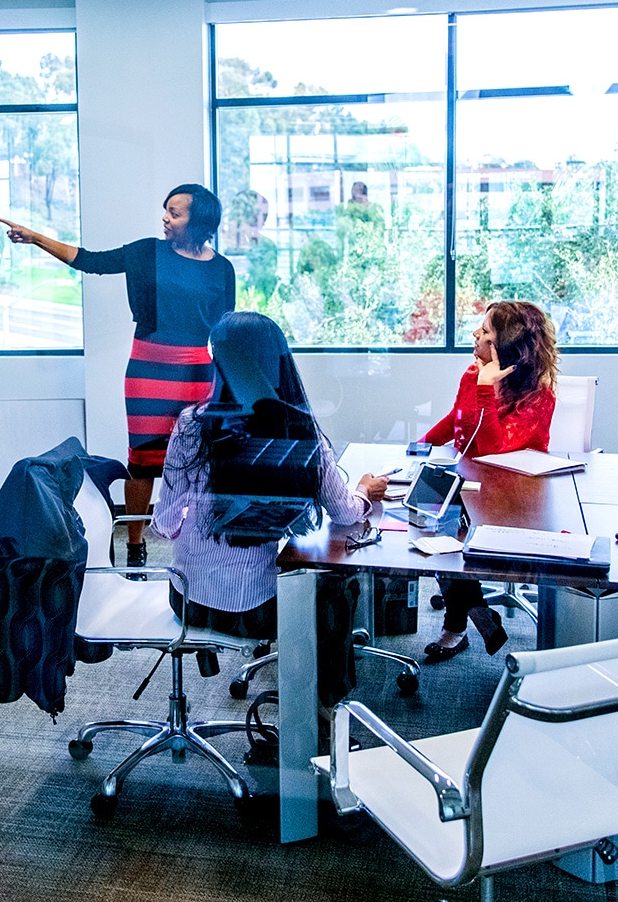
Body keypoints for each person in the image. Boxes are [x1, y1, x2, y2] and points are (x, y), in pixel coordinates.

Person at [149, 311, 389, 702]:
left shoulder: (191, 424)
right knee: (336, 587)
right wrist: (364, 490)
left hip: (186, 601)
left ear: (218, 363)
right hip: (256, 612)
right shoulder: (298, 428)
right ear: (278, 360)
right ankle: (323, 712)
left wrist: (203, 514)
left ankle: (313, 705)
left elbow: (164, 521)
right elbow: (346, 514)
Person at [0, 183, 236, 568]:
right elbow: (88, 260)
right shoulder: (146, 252)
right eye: (166, 209)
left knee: (199, 460)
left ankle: (197, 544)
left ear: (199, 221)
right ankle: (135, 548)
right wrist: (35, 238)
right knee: (143, 461)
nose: (165, 217)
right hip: (147, 371)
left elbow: (226, 328)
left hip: (198, 374)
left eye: (174, 213)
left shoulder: (222, 269)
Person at [419, 300, 558, 662]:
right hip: (466, 482)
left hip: (510, 497)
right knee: (430, 529)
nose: (475, 335)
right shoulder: (472, 372)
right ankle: (478, 610)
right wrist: (419, 448)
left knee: (447, 536)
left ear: (506, 346)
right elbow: (456, 419)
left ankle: (456, 626)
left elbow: (495, 452)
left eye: (485, 332)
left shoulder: (538, 397)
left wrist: (485, 388)